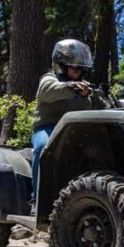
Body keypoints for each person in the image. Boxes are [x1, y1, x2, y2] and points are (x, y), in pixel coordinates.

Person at [31, 39, 100, 212]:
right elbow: (47, 91)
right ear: (61, 65)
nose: (78, 71)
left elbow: (103, 105)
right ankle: (36, 200)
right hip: (49, 128)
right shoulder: (49, 79)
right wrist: (71, 87)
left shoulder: (85, 88)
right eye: (74, 67)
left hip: (78, 132)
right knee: (42, 147)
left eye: (80, 68)